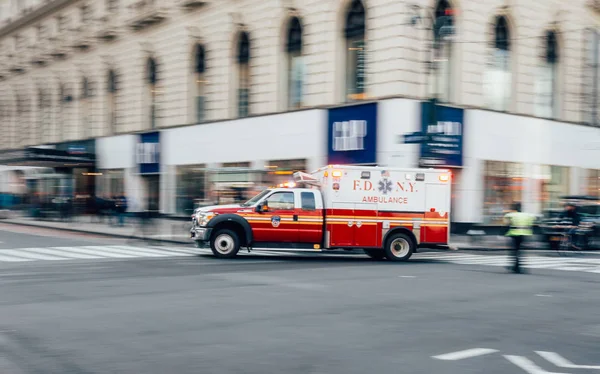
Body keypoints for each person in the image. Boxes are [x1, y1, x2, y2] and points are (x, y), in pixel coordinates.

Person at [504, 202, 535, 274]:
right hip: (525, 234)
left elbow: (507, 225)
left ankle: (516, 266)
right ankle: (518, 266)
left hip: (514, 234)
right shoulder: (527, 215)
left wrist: (503, 234)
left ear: (514, 208)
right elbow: (530, 225)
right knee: (520, 251)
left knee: (514, 251)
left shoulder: (511, 215)